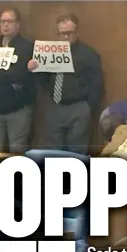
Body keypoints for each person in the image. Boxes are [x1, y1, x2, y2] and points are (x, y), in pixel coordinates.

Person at [29, 13, 104, 154]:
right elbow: (44, 80)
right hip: (54, 105)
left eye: (69, 33)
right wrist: (35, 69)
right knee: (52, 148)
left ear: (76, 32)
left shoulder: (88, 54)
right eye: (62, 33)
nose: (65, 37)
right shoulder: (50, 52)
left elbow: (96, 83)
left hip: (78, 107)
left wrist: (88, 107)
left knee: (77, 149)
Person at [0, 8, 34, 153]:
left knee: (17, 151)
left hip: (18, 108)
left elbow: (20, 74)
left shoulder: (27, 47)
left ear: (18, 24)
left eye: (9, 21)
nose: (6, 25)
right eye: (3, 21)